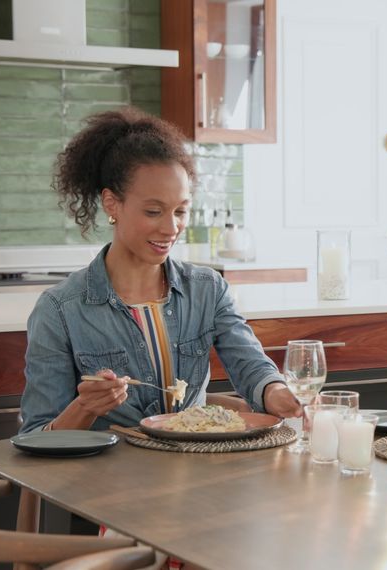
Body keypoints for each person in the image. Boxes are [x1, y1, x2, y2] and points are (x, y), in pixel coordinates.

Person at [20, 107, 300, 434]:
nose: (171, 227)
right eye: (154, 211)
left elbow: (250, 365)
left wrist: (276, 392)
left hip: (196, 475)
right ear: (112, 204)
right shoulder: (60, 310)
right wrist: (84, 407)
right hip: (106, 481)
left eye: (181, 211)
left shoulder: (207, 289)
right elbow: (35, 439)